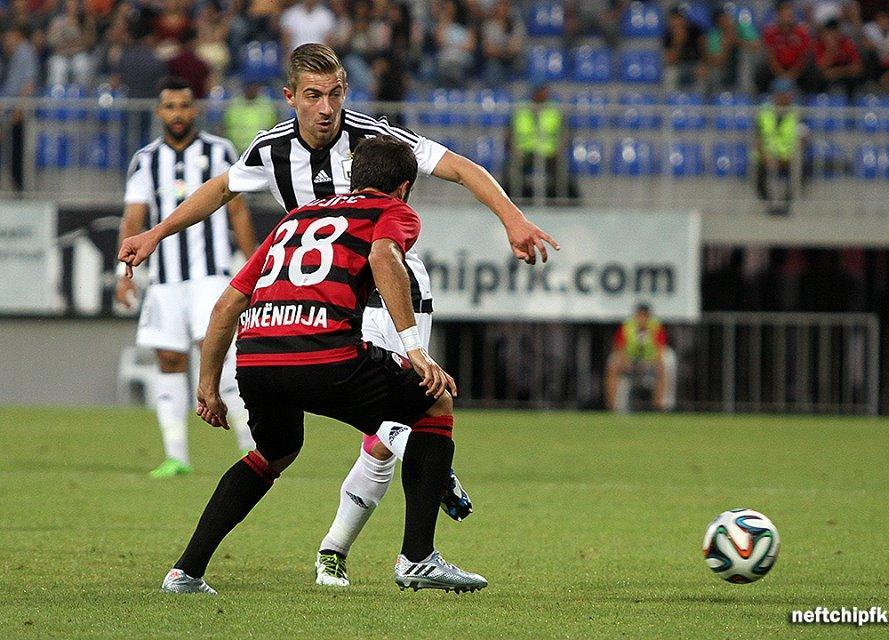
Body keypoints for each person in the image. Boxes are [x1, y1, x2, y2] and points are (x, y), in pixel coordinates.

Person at [118, 43, 559, 587]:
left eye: (334, 95)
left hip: (358, 298)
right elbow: (220, 190)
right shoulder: (271, 150)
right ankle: (418, 506)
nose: (325, 108)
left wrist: (513, 218)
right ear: (290, 97)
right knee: (424, 405)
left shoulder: (375, 141)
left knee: (296, 446)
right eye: (313, 96)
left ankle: (282, 555)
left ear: (345, 93)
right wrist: (158, 233)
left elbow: (460, 169)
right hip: (325, 306)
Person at [160, 135, 487, 595]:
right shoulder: (392, 211)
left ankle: (185, 572)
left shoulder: (294, 218)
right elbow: (383, 255)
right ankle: (418, 557)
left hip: (257, 359)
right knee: (435, 402)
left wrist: (208, 385)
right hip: (325, 354)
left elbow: (227, 305)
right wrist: (414, 349)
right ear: (404, 187)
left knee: (274, 452)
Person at [116, 76, 259, 478]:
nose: (177, 114)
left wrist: (254, 265)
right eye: (170, 107)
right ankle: (176, 456)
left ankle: (252, 449)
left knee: (219, 354)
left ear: (194, 110)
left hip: (210, 275)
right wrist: (123, 273)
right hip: (165, 281)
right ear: (159, 112)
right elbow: (134, 217)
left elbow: (237, 211)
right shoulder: (145, 159)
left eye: (183, 106)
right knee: (169, 359)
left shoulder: (219, 150)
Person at [504, 84, 578, 201]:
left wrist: (559, 149)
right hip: (525, 151)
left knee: (562, 170)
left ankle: (567, 201)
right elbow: (508, 133)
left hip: (550, 152)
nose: (544, 93)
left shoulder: (555, 109)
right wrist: (515, 150)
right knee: (511, 169)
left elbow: (565, 134)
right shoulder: (520, 109)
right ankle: (507, 200)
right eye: (541, 91)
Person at [755, 77, 808, 216]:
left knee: (802, 169)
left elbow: (803, 138)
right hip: (767, 157)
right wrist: (765, 156)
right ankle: (769, 204)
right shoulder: (764, 112)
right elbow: (757, 138)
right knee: (757, 172)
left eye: (788, 94)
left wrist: (790, 157)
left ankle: (786, 204)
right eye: (782, 94)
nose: (785, 97)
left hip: (789, 158)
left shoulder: (797, 112)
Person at [604, 303, 669, 412]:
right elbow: (619, 348)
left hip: (649, 361)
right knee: (613, 364)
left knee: (661, 367)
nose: (642, 319)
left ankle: (658, 406)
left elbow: (660, 349)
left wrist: (650, 362)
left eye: (645, 316)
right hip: (630, 360)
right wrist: (625, 361)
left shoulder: (656, 327)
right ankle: (611, 406)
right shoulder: (627, 326)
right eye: (640, 315)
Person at [0, 23, 38, 193]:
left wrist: (19, 108)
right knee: (13, 151)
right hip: (11, 109)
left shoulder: (25, 52)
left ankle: (20, 189)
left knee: (18, 151)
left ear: (16, 35)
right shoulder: (15, 54)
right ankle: (17, 187)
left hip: (18, 111)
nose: (5, 41)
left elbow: (28, 83)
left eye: (7, 37)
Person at [755, 0, 813, 94]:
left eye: (789, 14)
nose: (786, 17)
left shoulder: (802, 32)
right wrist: (781, 74)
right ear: (778, 15)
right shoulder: (770, 32)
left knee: (811, 70)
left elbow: (802, 57)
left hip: (797, 67)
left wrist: (791, 74)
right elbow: (771, 57)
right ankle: (762, 97)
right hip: (777, 67)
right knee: (761, 70)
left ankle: (811, 98)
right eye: (783, 14)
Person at [223, 77, 278, 153]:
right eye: (249, 87)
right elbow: (225, 125)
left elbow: (273, 126)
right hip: (236, 148)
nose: (251, 89)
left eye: (254, 87)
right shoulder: (234, 104)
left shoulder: (266, 104)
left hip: (261, 148)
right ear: (244, 88)